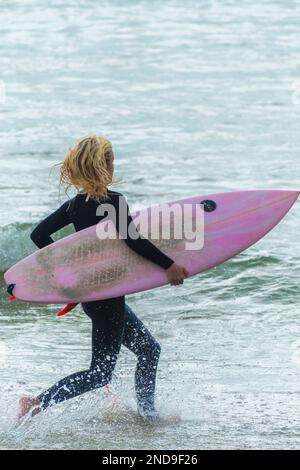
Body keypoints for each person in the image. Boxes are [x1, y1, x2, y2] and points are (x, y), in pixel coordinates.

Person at [18, 135, 188, 421]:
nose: (113, 165)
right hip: (107, 294)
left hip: (92, 293)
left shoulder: (74, 205)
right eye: (110, 159)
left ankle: (148, 414)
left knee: (149, 350)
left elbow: (38, 235)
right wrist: (169, 266)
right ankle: (37, 403)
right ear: (101, 163)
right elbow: (133, 240)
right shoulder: (114, 201)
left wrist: (69, 269)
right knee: (100, 372)